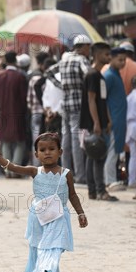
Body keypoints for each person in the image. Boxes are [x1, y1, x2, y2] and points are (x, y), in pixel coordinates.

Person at [0, 132, 88, 272]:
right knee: (41, 249)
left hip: (59, 218)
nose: (47, 152)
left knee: (52, 249)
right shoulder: (34, 171)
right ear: (36, 154)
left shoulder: (66, 173)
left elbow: (72, 195)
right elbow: (13, 167)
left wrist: (80, 213)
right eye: (42, 150)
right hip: (38, 218)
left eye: (51, 149)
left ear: (60, 152)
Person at [46, 35, 92, 184]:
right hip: (78, 105)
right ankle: (79, 175)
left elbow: (49, 72)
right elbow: (89, 74)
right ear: (83, 46)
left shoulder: (64, 60)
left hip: (65, 104)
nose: (89, 50)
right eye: (88, 47)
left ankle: (65, 173)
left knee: (65, 139)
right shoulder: (81, 60)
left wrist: (62, 86)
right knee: (76, 140)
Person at [79, 42, 117, 201]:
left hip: (100, 121)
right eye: (106, 54)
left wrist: (107, 119)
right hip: (92, 122)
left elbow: (103, 100)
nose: (109, 57)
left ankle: (94, 191)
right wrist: (96, 122)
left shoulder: (100, 75)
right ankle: (100, 190)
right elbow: (91, 100)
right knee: (97, 155)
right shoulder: (92, 75)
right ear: (97, 55)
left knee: (92, 155)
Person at [0, 51, 28, 178]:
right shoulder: (20, 77)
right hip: (18, 112)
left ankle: (8, 169)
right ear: (15, 61)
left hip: (3, 112)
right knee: (20, 142)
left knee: (5, 141)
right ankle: (15, 169)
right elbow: (24, 97)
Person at [104, 48, 128, 191]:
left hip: (119, 118)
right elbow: (103, 100)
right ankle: (110, 180)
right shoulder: (109, 76)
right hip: (113, 119)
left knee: (116, 149)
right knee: (112, 150)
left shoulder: (116, 74)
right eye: (120, 59)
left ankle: (111, 179)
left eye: (124, 59)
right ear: (111, 58)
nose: (123, 62)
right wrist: (108, 119)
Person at [26, 52, 51, 165]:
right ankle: (45, 164)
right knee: (47, 140)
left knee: (36, 140)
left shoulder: (32, 78)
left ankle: (36, 165)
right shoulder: (45, 79)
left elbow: (29, 99)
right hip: (45, 114)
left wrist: (32, 109)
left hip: (35, 113)